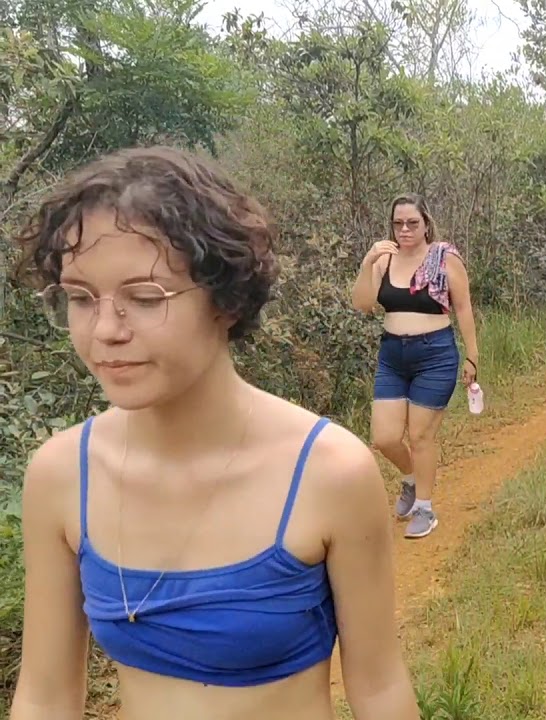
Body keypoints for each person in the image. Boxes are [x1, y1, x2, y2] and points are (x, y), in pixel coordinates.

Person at [9, 146, 417, 720]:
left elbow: (378, 688)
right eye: (80, 297)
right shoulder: (60, 475)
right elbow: (46, 696)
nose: (104, 330)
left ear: (226, 300)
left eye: (145, 298)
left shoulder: (329, 472)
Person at [349, 193, 479, 539]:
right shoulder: (384, 260)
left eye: (412, 223)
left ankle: (425, 506)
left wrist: (472, 356)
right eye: (398, 223)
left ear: (425, 224)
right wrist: (367, 262)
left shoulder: (443, 258)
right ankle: (410, 478)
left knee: (421, 435)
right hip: (393, 355)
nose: (404, 229)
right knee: (384, 438)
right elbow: (362, 304)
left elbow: (463, 307)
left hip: (435, 353)